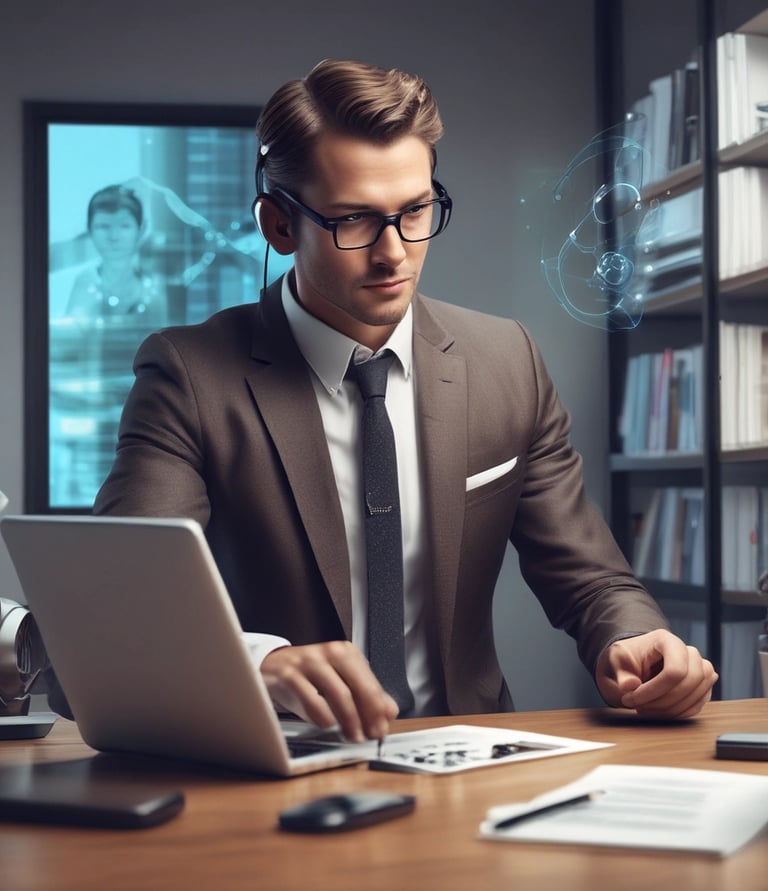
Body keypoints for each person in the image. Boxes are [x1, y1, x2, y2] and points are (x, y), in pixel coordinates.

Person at [91, 59, 717, 743]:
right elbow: (114, 626)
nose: (395, 254)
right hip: (272, 778)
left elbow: (594, 580)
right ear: (276, 225)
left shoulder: (507, 361)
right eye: (354, 220)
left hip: (470, 773)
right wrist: (259, 662)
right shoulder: (188, 377)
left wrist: (639, 638)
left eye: (416, 210)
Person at [65, 184, 167, 326]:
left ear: (141, 229)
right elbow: (71, 340)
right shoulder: (85, 283)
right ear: (89, 230)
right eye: (103, 226)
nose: (114, 236)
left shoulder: (152, 289)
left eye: (124, 226)